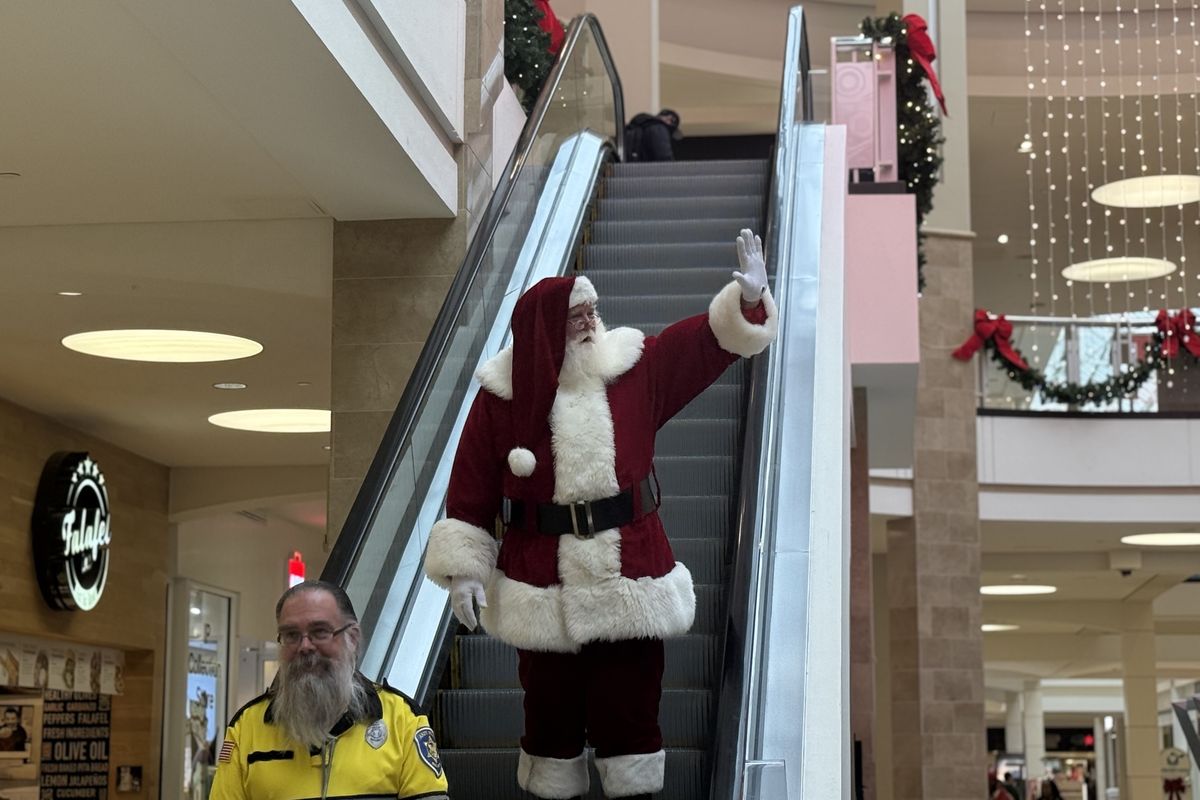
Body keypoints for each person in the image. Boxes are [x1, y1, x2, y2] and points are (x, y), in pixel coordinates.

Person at [424, 229, 777, 799]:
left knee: (632, 721)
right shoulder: (500, 398)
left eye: (593, 311)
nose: (591, 322)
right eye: (577, 315)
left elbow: (701, 344)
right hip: (543, 583)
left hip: (629, 576)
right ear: (543, 330)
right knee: (548, 723)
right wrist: (464, 570)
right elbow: (471, 490)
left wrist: (749, 303)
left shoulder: (634, 368)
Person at [208, 581, 448, 800]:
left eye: (320, 631)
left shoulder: (402, 720)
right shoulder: (246, 727)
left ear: (352, 638)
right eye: (291, 635)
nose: (304, 646)